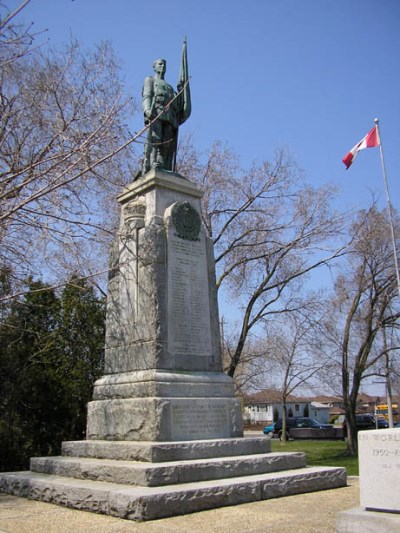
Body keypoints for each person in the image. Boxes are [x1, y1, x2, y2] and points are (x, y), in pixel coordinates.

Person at [141, 54, 190, 175]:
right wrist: (147, 110)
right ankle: (153, 162)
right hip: (157, 113)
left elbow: (177, 106)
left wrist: (182, 92)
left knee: (167, 142)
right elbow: (147, 96)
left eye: (164, 65)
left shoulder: (169, 87)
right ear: (154, 67)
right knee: (156, 138)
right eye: (160, 64)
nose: (163, 66)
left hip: (170, 117)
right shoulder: (150, 80)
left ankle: (162, 163)